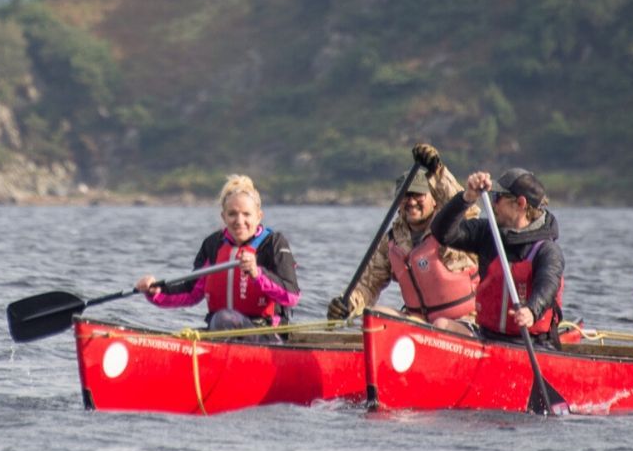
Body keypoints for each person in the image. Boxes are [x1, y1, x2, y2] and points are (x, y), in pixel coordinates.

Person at [326, 144, 478, 331]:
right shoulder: (392, 240)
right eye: (405, 196)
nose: (411, 202)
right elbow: (368, 284)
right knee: (374, 316)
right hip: (420, 324)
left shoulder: (453, 226)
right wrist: (347, 303)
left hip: (466, 322)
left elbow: (466, 206)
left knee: (441, 325)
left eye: (418, 195)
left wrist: (436, 171)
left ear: (434, 199)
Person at [134, 174, 301, 330]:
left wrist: (257, 273)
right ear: (224, 217)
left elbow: (291, 296)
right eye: (232, 214)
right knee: (222, 319)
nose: (239, 221)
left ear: (259, 216)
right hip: (220, 329)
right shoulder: (212, 245)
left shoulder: (274, 243)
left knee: (224, 318)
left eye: (246, 214)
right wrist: (156, 291)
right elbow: (191, 292)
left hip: (264, 333)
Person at [430, 166, 565, 340]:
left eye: (498, 197)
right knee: (441, 325)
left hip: (530, 341)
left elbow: (548, 284)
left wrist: (531, 311)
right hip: (487, 336)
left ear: (520, 203)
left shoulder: (546, 250)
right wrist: (467, 197)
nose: (493, 204)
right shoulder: (487, 233)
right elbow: (442, 233)